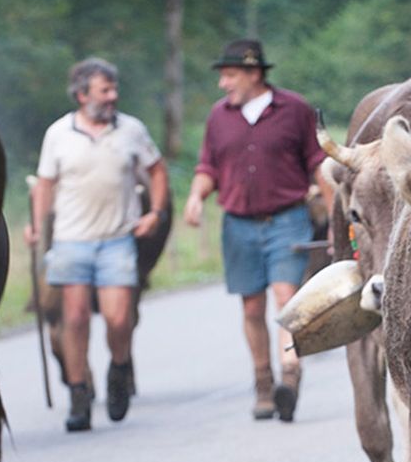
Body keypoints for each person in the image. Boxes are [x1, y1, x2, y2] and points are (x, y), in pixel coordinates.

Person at [183, 39, 334, 422]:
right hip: (238, 225)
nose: (223, 84)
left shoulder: (294, 110)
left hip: (287, 219)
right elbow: (208, 168)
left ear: (254, 74)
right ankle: (263, 382)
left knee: (287, 298)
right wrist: (196, 198)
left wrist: (336, 219)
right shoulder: (219, 117)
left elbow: (319, 166)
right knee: (251, 307)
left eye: (230, 75)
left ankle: (290, 373)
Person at [25, 57, 169, 433]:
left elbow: (156, 170)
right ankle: (78, 394)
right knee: (73, 320)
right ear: (81, 94)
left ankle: (119, 368)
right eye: (105, 91)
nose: (113, 97)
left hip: (117, 239)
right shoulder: (58, 134)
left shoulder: (131, 130)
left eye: (114, 90)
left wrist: (155, 211)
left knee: (119, 318)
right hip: (72, 240)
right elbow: (45, 184)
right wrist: (36, 226)